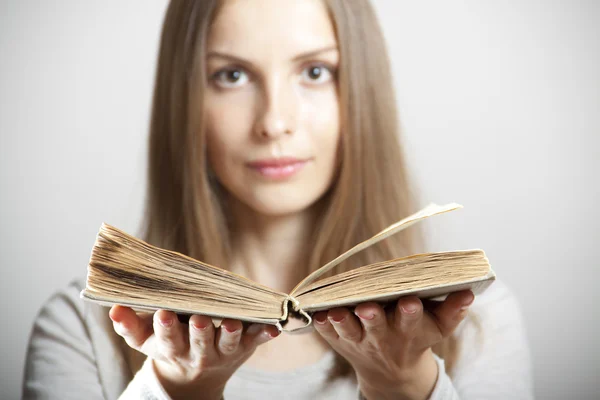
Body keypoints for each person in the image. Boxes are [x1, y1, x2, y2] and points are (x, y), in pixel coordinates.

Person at [22, 0, 534, 399]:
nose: (274, 122)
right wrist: (176, 391)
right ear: (186, 100)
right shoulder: (81, 329)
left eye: (314, 72)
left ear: (361, 91)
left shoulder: (480, 322)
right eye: (232, 75)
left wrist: (405, 388)